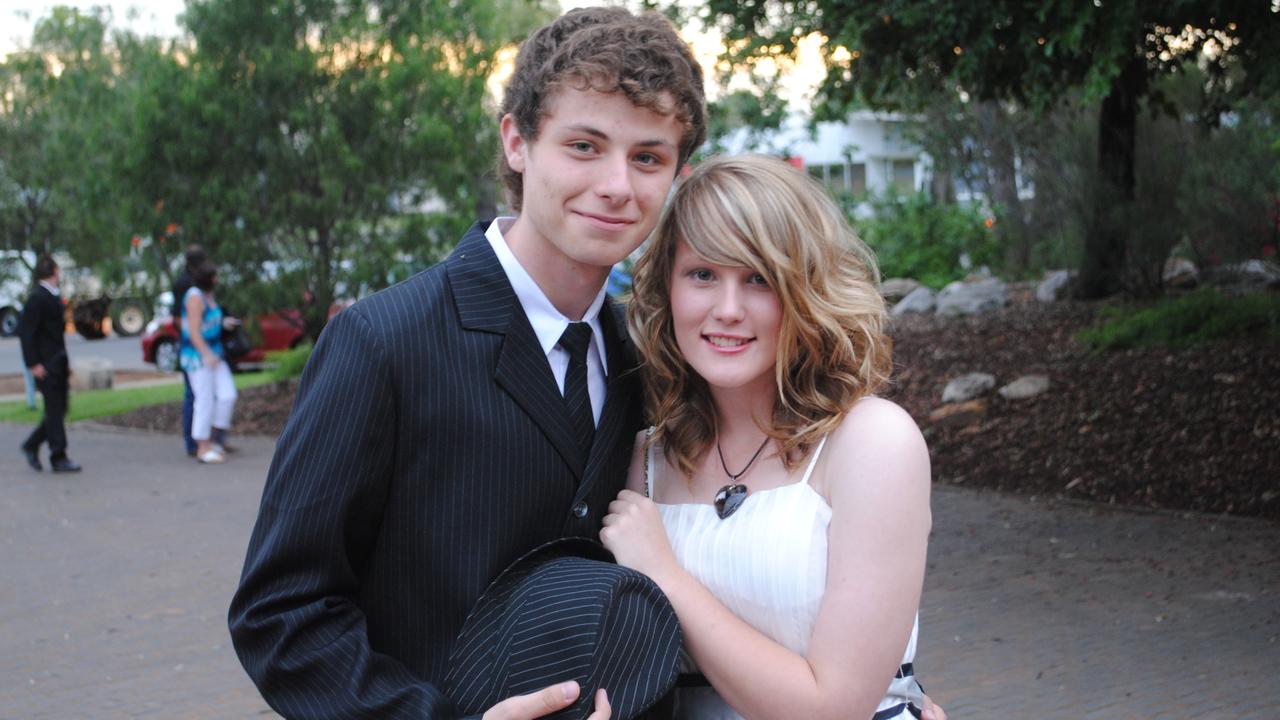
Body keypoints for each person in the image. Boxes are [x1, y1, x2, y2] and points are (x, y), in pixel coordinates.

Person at [227, 8, 705, 718]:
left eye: (647, 157)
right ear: (517, 141)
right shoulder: (381, 342)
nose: (617, 184)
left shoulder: (649, 361)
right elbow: (282, 614)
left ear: (677, 172)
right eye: (584, 145)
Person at [601, 154, 933, 719]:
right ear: (667, 288)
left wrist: (664, 577)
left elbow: (833, 708)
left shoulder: (871, 444)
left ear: (804, 292)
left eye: (758, 279)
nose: (727, 310)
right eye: (702, 274)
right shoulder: (643, 460)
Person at [18, 254, 82, 473]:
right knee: (54, 409)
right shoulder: (37, 298)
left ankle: (32, 444)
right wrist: (34, 363)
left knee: (59, 408)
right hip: (46, 364)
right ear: (55, 271)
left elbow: (56, 334)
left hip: (57, 360)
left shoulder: (52, 296)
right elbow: (27, 334)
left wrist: (65, 360)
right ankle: (58, 455)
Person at [180, 259, 238, 464]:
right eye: (215, 277)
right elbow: (194, 331)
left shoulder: (208, 296)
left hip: (216, 354)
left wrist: (223, 322)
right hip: (198, 357)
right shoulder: (194, 297)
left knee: (227, 395)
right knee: (203, 400)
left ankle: (216, 437)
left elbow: (209, 321)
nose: (218, 280)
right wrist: (206, 354)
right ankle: (202, 448)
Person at [172, 244, 206, 456]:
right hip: (191, 348)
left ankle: (202, 437)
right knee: (192, 393)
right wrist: (191, 335)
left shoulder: (197, 281)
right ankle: (192, 441)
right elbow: (177, 316)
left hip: (199, 343)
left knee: (202, 394)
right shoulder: (184, 284)